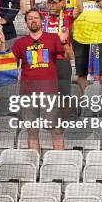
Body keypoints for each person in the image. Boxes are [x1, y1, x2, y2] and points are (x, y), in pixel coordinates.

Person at [11, 9, 65, 151]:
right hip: (28, 93)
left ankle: (57, 162)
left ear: (41, 21)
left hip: (49, 92)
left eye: (36, 18)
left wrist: (64, 42)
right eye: (29, 19)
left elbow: (68, 57)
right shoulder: (20, 43)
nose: (33, 20)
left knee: (56, 128)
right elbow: (9, 63)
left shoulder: (53, 38)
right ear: (26, 23)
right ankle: (35, 163)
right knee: (32, 130)